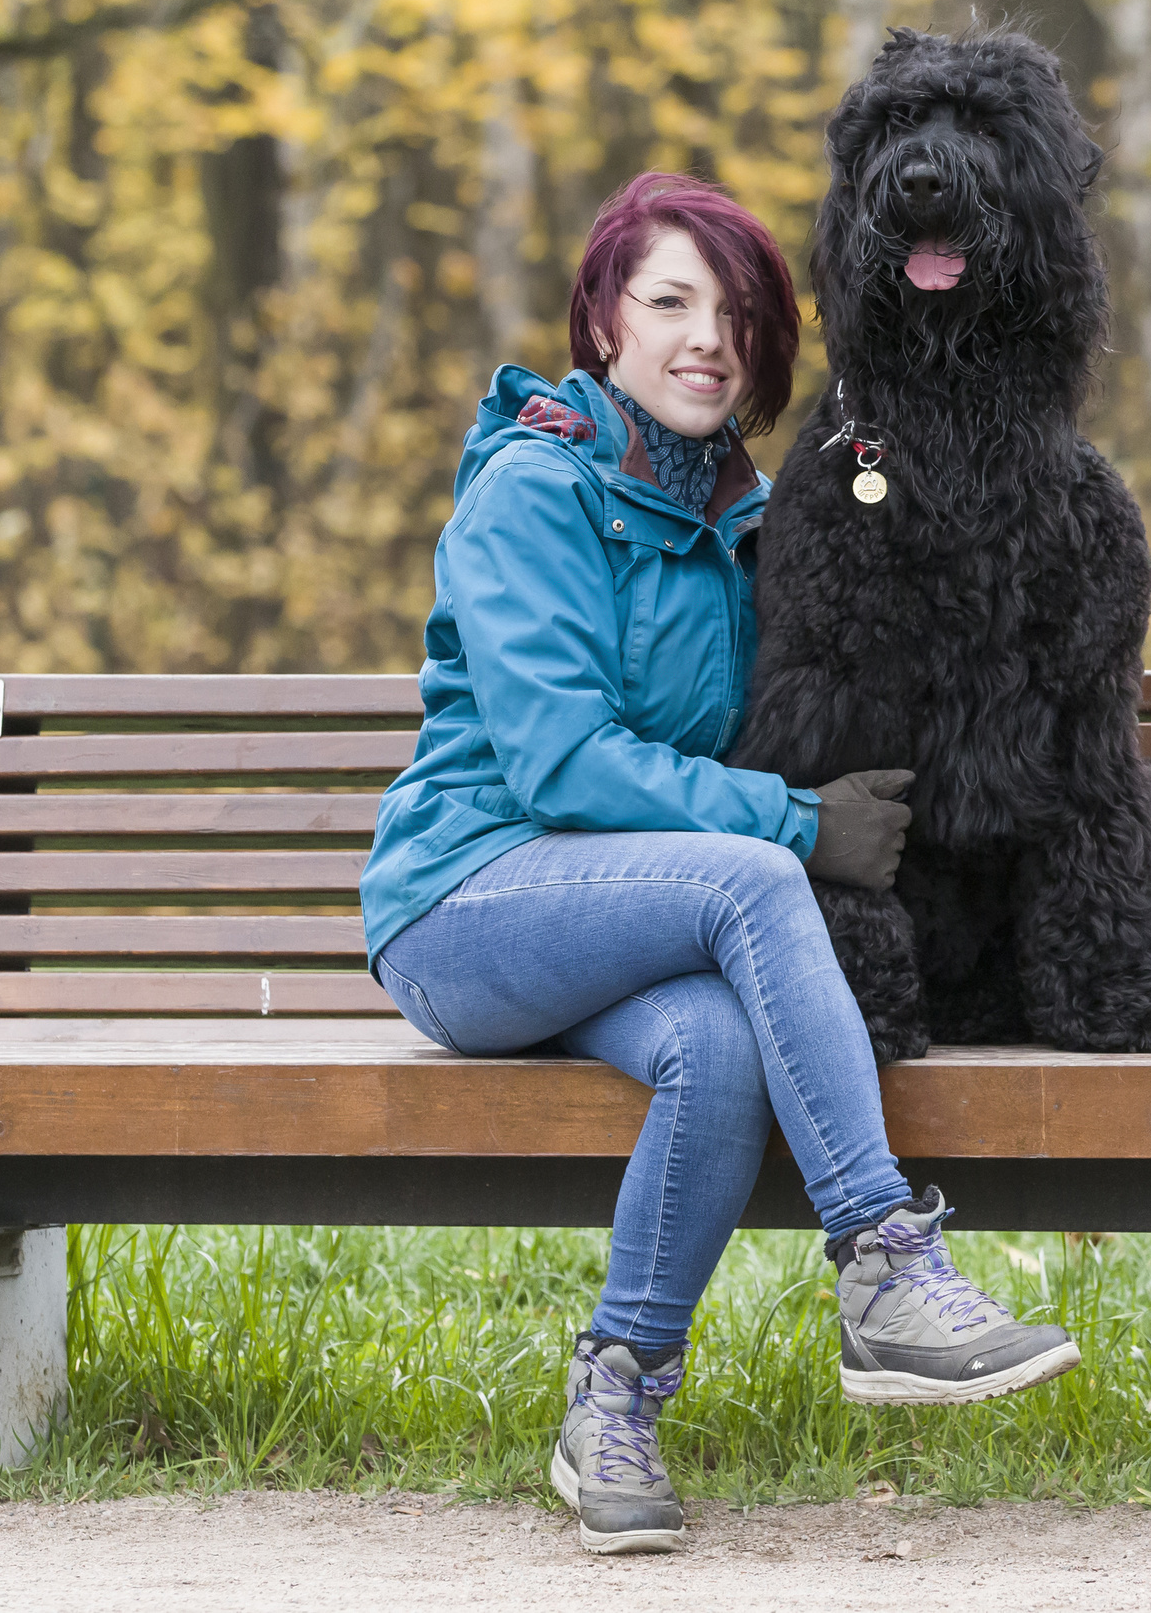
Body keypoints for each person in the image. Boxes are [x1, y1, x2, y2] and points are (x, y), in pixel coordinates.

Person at [361, 172, 1079, 1555]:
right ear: (605, 322)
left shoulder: (748, 523)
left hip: (619, 931)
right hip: (467, 907)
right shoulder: (534, 490)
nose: (709, 339)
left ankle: (613, 1397)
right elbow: (561, 763)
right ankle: (885, 1266)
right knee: (754, 879)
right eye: (670, 302)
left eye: (739, 313)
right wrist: (802, 825)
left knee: (719, 1051)